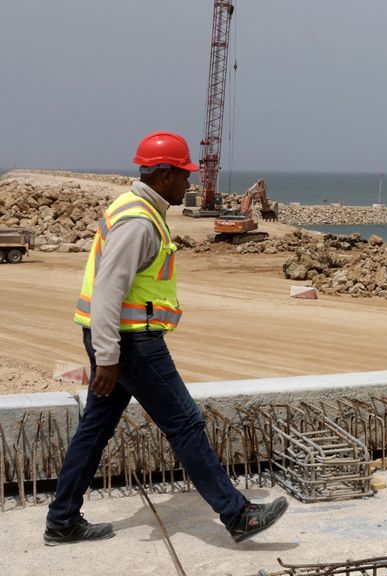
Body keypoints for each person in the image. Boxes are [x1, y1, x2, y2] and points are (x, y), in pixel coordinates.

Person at [44, 131, 288, 545]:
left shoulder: (134, 207)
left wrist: (106, 353)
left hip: (118, 341)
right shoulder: (139, 222)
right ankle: (237, 514)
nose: (189, 183)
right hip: (132, 344)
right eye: (184, 175)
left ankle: (62, 520)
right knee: (185, 422)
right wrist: (108, 357)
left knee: (95, 429)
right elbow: (108, 291)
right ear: (164, 175)